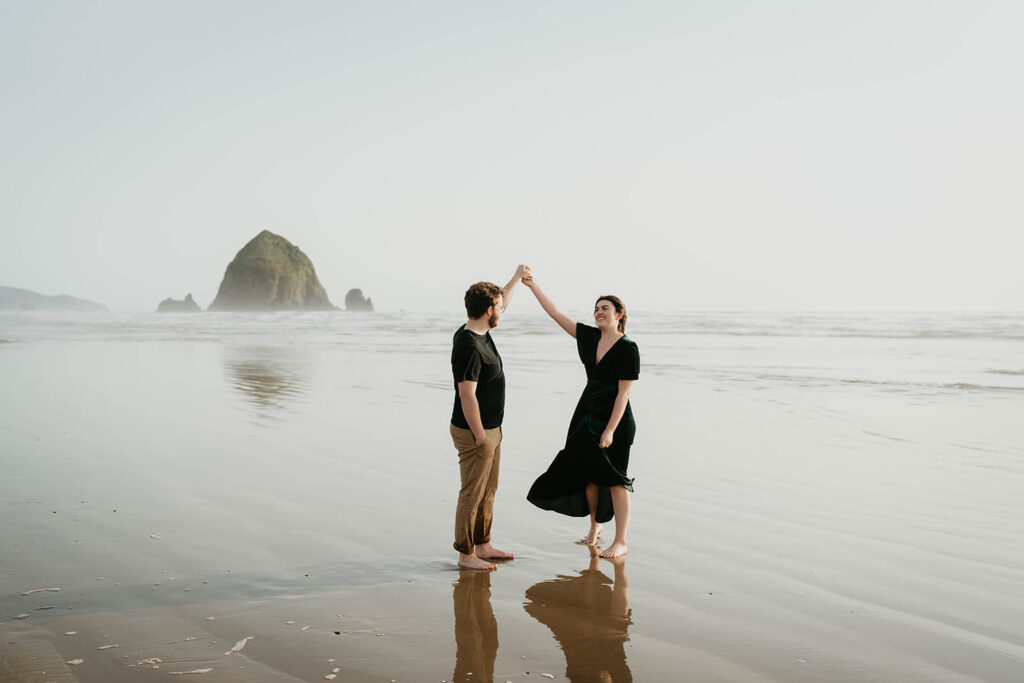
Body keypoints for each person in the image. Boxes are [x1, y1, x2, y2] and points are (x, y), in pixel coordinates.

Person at [523, 273, 638, 558]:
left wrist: (610, 430)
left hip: (616, 419)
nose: (599, 312)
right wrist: (532, 284)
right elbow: (555, 313)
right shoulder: (588, 337)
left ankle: (621, 540)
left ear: (619, 315)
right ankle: (595, 528)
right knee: (589, 476)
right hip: (586, 414)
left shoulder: (628, 348)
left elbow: (624, 394)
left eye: (605, 308)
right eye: (596, 308)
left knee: (615, 479)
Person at [450, 265, 528, 570]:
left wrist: (517, 277)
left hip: (492, 429)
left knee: (489, 490)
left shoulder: (480, 328)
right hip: (474, 431)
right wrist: (481, 435)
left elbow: (503, 299)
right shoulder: (469, 345)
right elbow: (466, 394)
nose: (502, 309)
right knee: (472, 492)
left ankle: (483, 545)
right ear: (487, 310)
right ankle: (465, 553)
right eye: (497, 307)